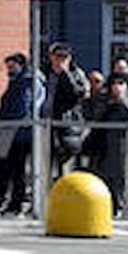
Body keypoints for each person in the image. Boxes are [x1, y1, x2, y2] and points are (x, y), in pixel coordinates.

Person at [0, 53, 35, 215]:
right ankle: (3, 202)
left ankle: (14, 204)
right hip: (11, 132)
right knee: (6, 170)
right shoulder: (17, 83)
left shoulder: (24, 83)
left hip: (18, 134)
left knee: (14, 170)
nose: (9, 70)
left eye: (12, 66)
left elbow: (19, 109)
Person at [91, 72, 128, 213]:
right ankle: (108, 205)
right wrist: (107, 102)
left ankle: (121, 205)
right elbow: (96, 115)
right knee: (105, 175)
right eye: (114, 83)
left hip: (124, 143)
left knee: (122, 176)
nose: (117, 86)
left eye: (121, 83)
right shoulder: (104, 98)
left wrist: (120, 99)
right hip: (104, 143)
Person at [40, 42, 89, 177]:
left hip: (67, 124)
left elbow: (77, 94)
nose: (60, 60)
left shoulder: (76, 73)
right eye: (57, 56)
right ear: (51, 57)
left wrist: (65, 75)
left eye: (64, 57)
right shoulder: (43, 73)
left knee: (66, 164)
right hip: (45, 123)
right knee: (46, 164)